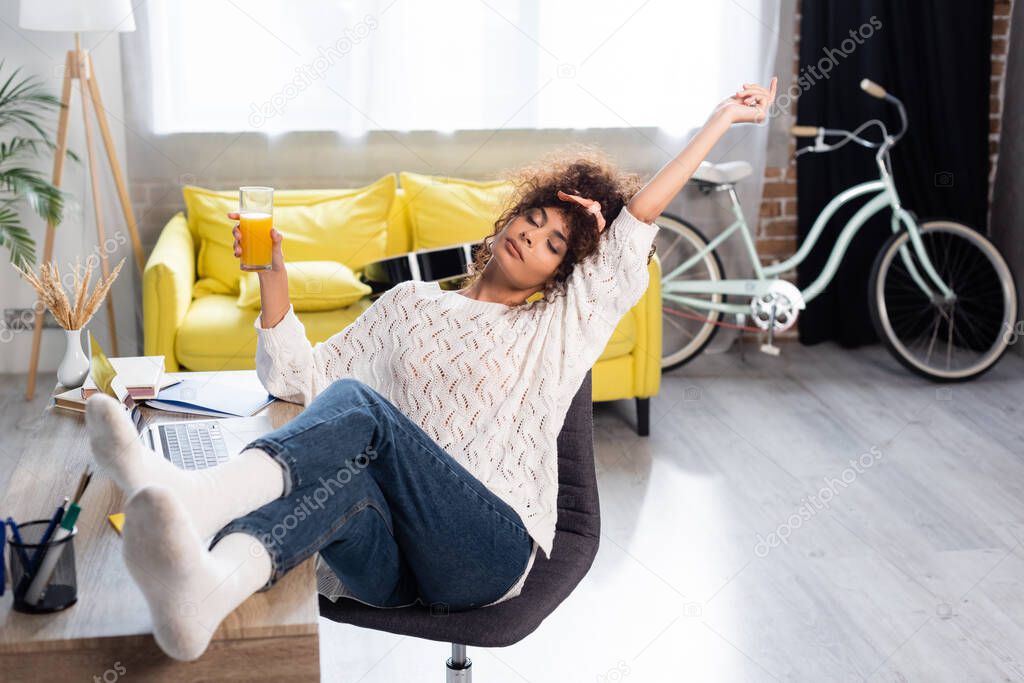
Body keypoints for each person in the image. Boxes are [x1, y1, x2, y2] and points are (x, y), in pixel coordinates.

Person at [86, 78, 778, 661]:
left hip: (487, 551)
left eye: (551, 243)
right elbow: (299, 381)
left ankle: (195, 493)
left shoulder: (556, 328)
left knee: (361, 408)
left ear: (562, 273)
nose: (530, 235)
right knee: (341, 473)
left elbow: (634, 236)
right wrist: (273, 273)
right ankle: (203, 594)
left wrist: (722, 118)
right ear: (504, 219)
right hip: (396, 564)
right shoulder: (409, 303)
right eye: (530, 219)